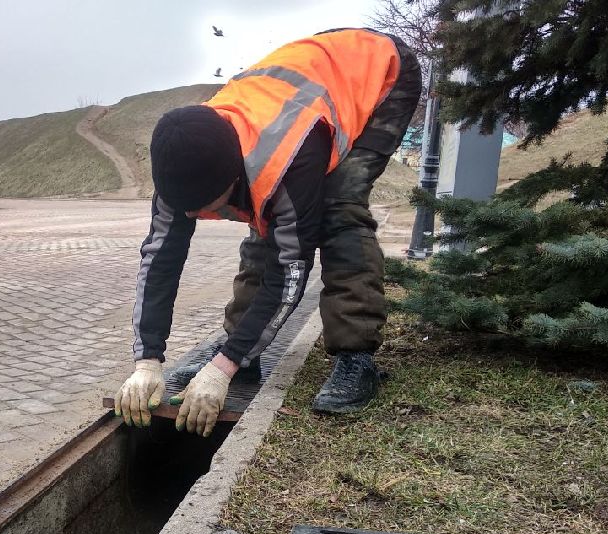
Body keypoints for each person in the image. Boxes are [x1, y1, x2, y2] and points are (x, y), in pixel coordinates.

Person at [114, 28, 422, 436]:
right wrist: (147, 362)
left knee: (338, 208)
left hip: (382, 73)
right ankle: (244, 350)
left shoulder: (291, 157)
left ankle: (356, 356)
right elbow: (160, 260)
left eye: (209, 204)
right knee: (268, 217)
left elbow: (291, 268)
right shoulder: (182, 158)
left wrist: (220, 371)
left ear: (233, 172)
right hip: (306, 85)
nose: (197, 214)